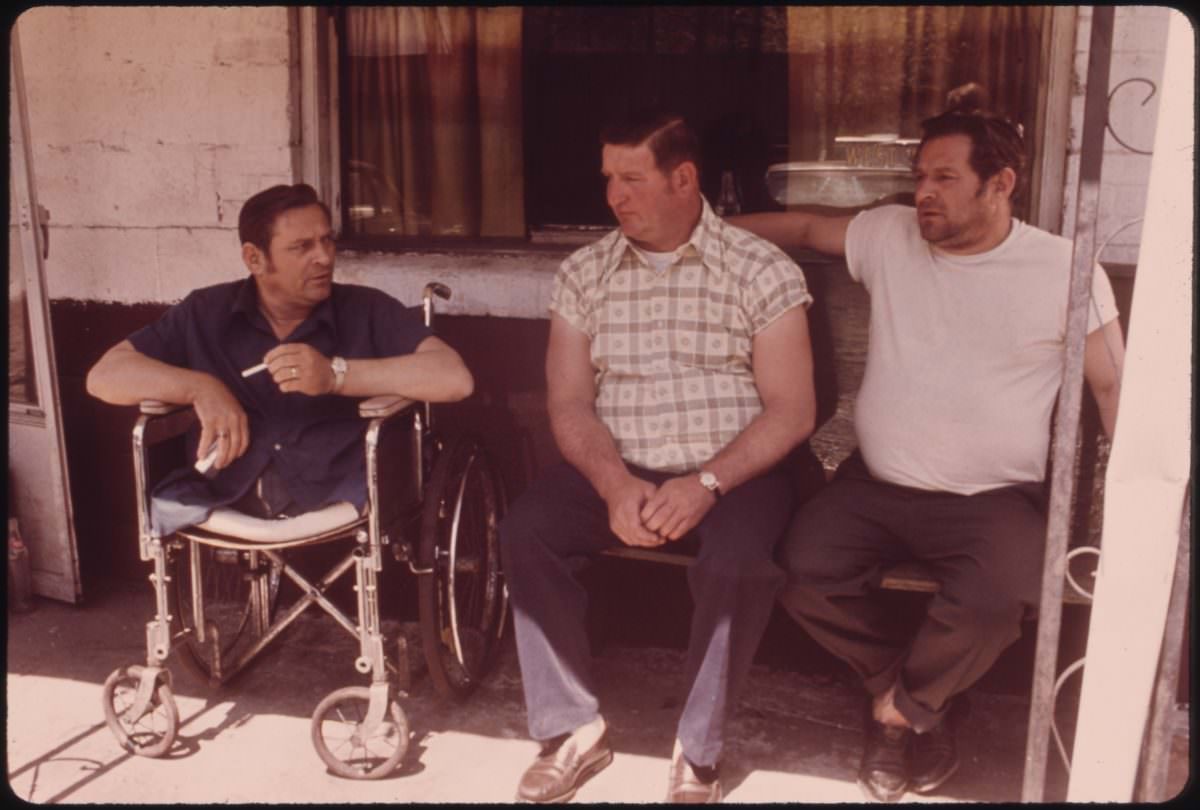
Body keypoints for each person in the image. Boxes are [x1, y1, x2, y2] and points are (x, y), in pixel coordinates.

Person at [730, 84, 1125, 802]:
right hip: (875, 486)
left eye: (945, 179)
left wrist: (1131, 510)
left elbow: (1114, 390)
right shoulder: (889, 236)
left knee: (999, 600)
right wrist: (701, 225)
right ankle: (908, 695)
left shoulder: (1065, 270)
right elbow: (807, 227)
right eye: (919, 178)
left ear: (1000, 184)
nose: (924, 196)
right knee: (794, 568)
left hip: (994, 499)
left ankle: (903, 716)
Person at [499, 110, 817, 803]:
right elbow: (570, 404)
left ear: (684, 179)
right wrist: (613, 484)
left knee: (737, 565)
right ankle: (571, 728)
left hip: (735, 471)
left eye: (632, 178)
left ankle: (698, 750)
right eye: (609, 178)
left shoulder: (759, 267)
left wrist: (706, 481)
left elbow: (792, 411)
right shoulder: (585, 271)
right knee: (528, 529)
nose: (615, 195)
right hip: (623, 465)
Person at [86, 183, 473, 535]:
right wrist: (200, 388)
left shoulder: (365, 309)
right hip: (226, 491)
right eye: (302, 247)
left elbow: (455, 378)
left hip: (338, 489)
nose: (324, 257)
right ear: (254, 259)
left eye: (327, 241)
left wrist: (337, 375)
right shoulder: (206, 312)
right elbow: (104, 375)